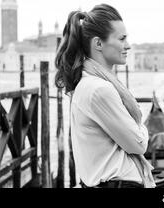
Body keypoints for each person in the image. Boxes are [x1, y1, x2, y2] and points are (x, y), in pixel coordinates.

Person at [55, 4, 155, 188]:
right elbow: (138, 144)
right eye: (122, 39)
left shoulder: (87, 83)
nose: (128, 45)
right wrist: (140, 125)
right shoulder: (99, 89)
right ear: (98, 44)